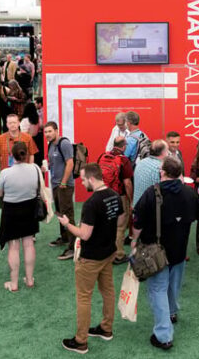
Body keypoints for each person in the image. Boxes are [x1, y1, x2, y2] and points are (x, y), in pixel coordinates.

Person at [131, 157, 199, 350]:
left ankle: (164, 336)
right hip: (180, 250)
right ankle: (172, 312)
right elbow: (197, 217)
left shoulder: (151, 193)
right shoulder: (190, 193)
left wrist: (134, 241)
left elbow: (137, 223)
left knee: (157, 290)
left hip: (155, 255)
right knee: (174, 285)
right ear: (178, 173)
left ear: (162, 172)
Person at [59, 164, 121, 355]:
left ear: (92, 179)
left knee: (84, 297)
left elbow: (84, 235)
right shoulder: (115, 195)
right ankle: (106, 328)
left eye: (84, 179)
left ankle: (80, 341)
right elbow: (120, 220)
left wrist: (67, 224)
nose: (83, 182)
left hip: (91, 257)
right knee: (108, 290)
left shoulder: (91, 203)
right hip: (108, 252)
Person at [0, 141, 41, 292]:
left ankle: (13, 283)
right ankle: (29, 279)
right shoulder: (35, 169)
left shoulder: (5, 173)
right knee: (29, 243)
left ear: (11, 155)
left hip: (11, 211)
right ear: (26, 154)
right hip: (30, 209)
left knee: (13, 247)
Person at [43, 122, 77, 260]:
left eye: (50, 131)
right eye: (45, 132)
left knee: (67, 214)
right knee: (59, 212)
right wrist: (46, 168)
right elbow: (53, 163)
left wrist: (64, 181)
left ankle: (73, 246)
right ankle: (64, 238)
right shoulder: (50, 144)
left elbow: (70, 163)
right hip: (56, 184)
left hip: (65, 185)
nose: (47, 134)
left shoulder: (64, 144)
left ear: (56, 131)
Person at [99, 137, 134, 265]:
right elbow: (127, 183)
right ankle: (118, 255)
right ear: (124, 146)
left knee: (107, 223)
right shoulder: (124, 160)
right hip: (119, 196)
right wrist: (131, 200)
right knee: (120, 226)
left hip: (104, 195)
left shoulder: (103, 156)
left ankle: (106, 251)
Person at [0, 114, 38, 187]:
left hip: (24, 174)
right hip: (6, 173)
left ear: (19, 123)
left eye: (14, 122)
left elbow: (32, 154)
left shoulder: (27, 138)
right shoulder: (0, 139)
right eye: (10, 123)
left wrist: (30, 171)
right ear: (6, 124)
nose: (12, 125)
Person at [132, 140, 168, 208]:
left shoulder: (140, 163)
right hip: (150, 212)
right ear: (163, 152)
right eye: (167, 151)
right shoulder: (160, 169)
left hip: (137, 207)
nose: (168, 154)